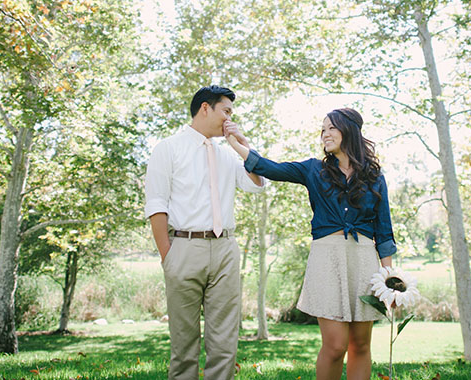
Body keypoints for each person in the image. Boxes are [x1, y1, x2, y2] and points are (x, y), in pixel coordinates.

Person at [225, 107, 396, 380]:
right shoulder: (313, 170)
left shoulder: (374, 177)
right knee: (336, 345)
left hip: (364, 261)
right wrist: (239, 147)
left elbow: (384, 232)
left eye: (331, 128)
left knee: (361, 345)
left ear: (349, 130)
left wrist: (390, 281)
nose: (325, 134)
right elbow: (272, 168)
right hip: (326, 260)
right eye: (323, 129)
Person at [145, 85, 265, 380]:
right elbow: (156, 204)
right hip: (184, 248)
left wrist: (241, 144)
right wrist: (168, 256)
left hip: (225, 250)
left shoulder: (227, 155)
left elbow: (256, 184)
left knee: (225, 343)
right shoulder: (168, 148)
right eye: (226, 111)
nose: (230, 119)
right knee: (184, 344)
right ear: (205, 108)